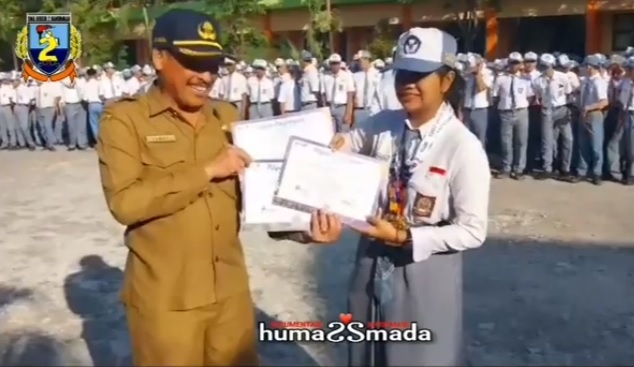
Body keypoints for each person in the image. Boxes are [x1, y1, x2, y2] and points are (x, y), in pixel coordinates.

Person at [97, 9, 255, 366]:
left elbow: (259, 197)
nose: (205, 76)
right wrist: (207, 171)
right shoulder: (125, 120)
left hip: (230, 294)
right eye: (192, 62)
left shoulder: (227, 117)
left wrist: (305, 226)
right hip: (166, 302)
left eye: (213, 65)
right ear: (158, 58)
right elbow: (125, 202)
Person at [326, 27, 490, 366]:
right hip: (372, 256)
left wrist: (405, 236)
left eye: (419, 75)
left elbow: (473, 230)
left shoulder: (462, 147)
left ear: (446, 81)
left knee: (421, 355)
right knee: (367, 347)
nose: (407, 84)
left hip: (424, 267)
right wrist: (327, 148)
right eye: (402, 74)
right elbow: (344, 144)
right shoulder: (384, 123)